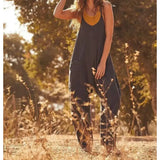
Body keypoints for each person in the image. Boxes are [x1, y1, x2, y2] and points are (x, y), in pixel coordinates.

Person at [53, 0, 121, 156]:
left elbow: (109, 36)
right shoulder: (79, 10)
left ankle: (108, 144)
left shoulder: (106, 7)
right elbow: (57, 13)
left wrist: (103, 62)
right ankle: (86, 147)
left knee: (113, 97)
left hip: (101, 63)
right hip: (79, 64)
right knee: (79, 103)